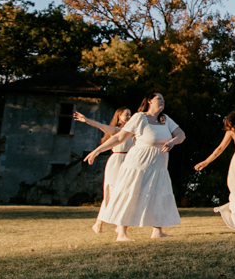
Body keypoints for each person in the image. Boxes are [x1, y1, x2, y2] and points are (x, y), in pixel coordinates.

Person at [85, 92, 184, 241]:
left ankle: (158, 231)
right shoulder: (139, 117)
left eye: (163, 99)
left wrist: (172, 142)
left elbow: (181, 134)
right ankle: (122, 233)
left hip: (159, 167)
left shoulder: (165, 119)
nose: (162, 101)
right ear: (150, 101)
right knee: (130, 194)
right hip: (138, 165)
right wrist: (97, 151)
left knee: (159, 194)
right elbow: (119, 137)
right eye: (159, 99)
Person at [74, 107, 132, 235]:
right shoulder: (116, 130)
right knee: (112, 193)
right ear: (119, 117)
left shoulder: (132, 132)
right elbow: (100, 126)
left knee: (126, 193)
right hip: (117, 161)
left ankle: (118, 224)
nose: (129, 117)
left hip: (129, 163)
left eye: (130, 115)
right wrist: (87, 120)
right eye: (126, 115)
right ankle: (100, 223)